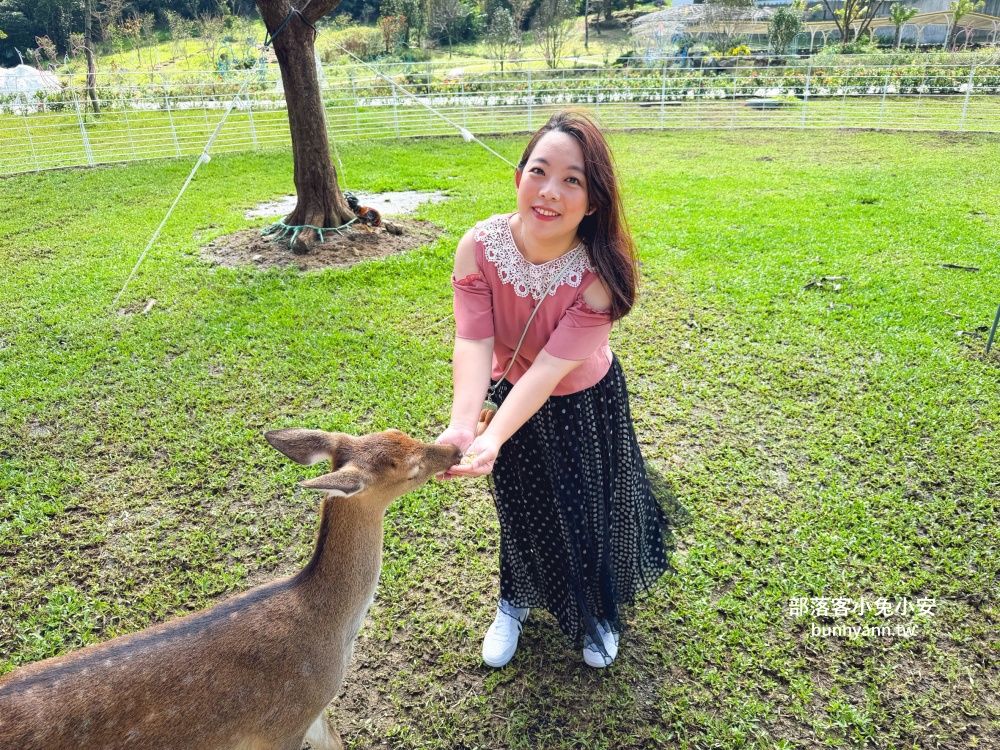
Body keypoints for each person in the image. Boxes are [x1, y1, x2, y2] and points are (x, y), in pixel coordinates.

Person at [436, 110, 687, 669]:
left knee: (583, 508)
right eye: (539, 171)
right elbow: (474, 343)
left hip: (581, 401)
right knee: (520, 506)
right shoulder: (478, 247)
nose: (550, 192)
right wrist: (464, 425)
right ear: (519, 174)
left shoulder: (601, 274)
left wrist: (494, 435)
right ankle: (514, 599)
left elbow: (549, 369)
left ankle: (594, 609)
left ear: (594, 199)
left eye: (572, 180)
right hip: (509, 393)